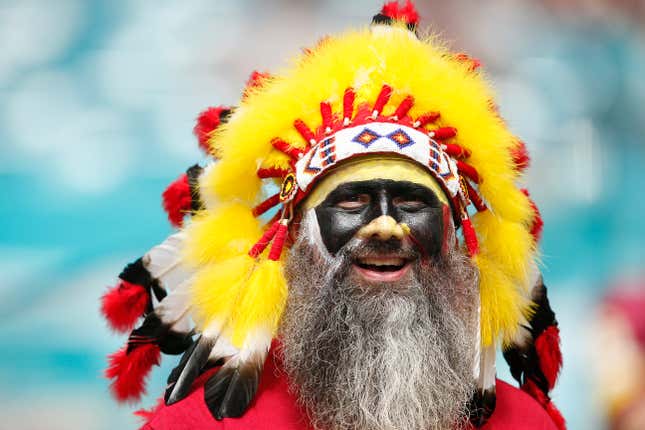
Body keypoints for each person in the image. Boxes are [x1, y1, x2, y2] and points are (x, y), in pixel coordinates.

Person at [100, 2, 565, 429]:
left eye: (412, 203)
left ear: (453, 233)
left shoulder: (522, 423)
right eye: (350, 202)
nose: (385, 226)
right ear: (299, 234)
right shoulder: (200, 425)